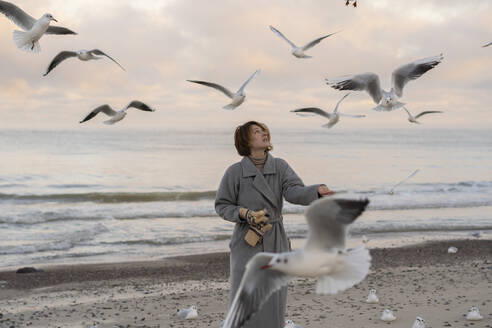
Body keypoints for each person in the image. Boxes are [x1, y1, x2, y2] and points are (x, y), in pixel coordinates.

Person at [215, 121, 334, 327]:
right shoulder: (234, 172)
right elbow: (222, 205)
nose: (264, 134)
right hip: (247, 242)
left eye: (264, 130)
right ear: (246, 140)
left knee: (273, 297)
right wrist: (244, 213)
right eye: (257, 131)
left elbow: (293, 191)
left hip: (275, 238)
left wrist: (316, 192)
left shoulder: (280, 166)